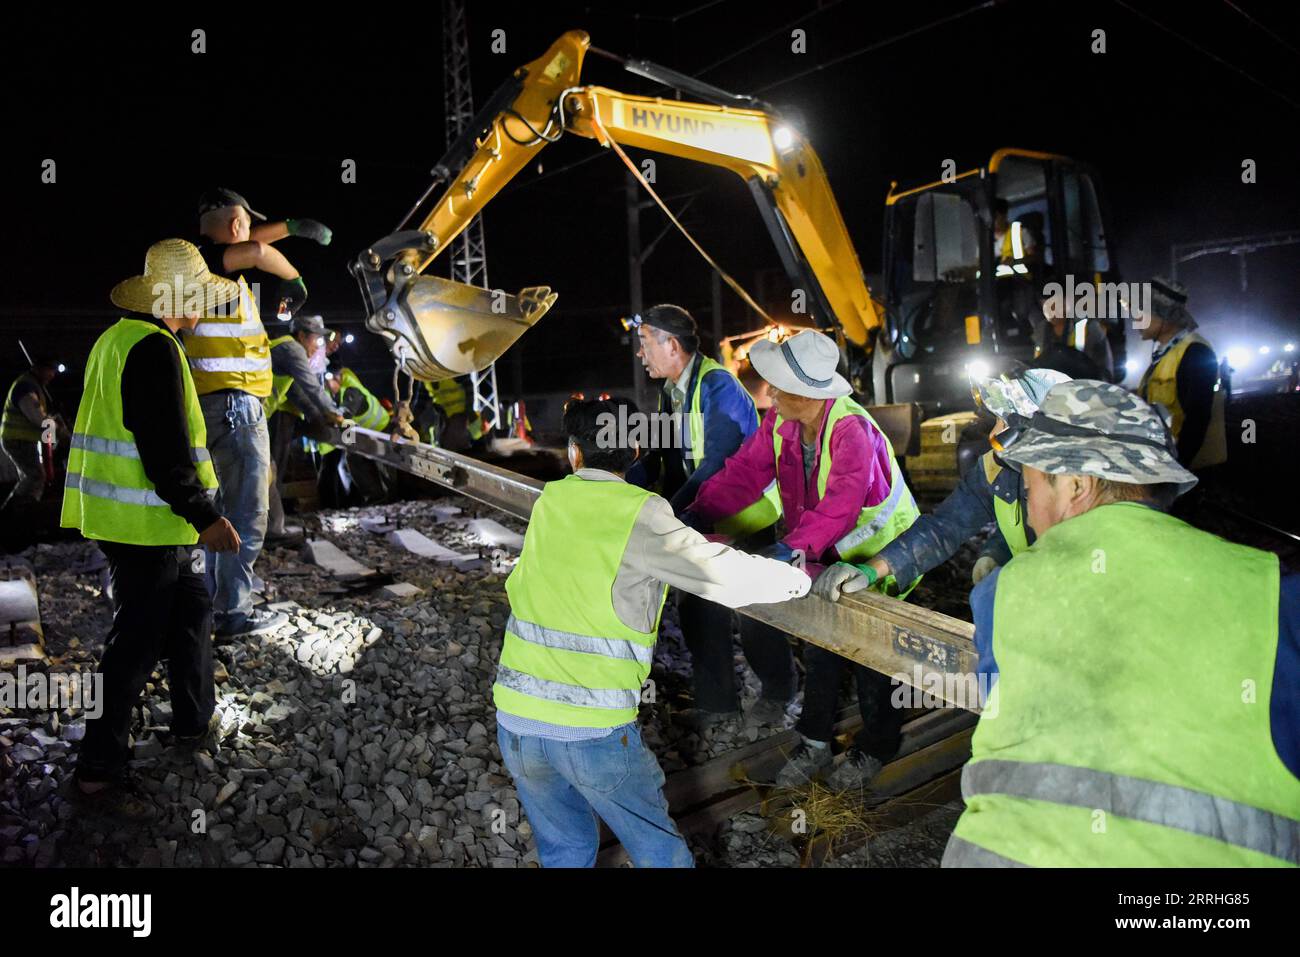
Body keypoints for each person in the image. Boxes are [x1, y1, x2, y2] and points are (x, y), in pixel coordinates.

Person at [942, 379, 1299, 866]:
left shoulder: (998, 594)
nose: (1028, 516)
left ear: (1075, 485)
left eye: (1029, 492)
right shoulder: (1274, 592)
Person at [492, 398, 810, 867]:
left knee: (566, 849)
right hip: (590, 732)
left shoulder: (550, 501)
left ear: (575, 454)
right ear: (637, 448)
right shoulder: (640, 512)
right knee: (659, 853)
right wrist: (797, 578)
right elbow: (717, 574)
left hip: (516, 723)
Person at [684, 330, 922, 789]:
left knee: (873, 657)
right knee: (821, 644)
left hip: (880, 561)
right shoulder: (782, 421)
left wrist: (789, 549)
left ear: (806, 393)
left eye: (778, 385)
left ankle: (876, 745)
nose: (769, 392)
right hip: (820, 555)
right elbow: (744, 472)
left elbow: (840, 506)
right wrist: (701, 510)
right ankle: (814, 740)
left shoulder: (852, 431)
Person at [61, 239, 242, 819]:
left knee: (191, 614)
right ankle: (97, 769)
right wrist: (207, 518)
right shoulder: (155, 350)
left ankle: (192, 723)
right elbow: (165, 453)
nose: (199, 312)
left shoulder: (116, 339)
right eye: (195, 300)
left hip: (142, 523)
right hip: (147, 525)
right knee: (133, 646)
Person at [622, 304, 776, 733]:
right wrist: (622, 483)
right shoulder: (672, 390)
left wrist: (673, 513)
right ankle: (719, 704)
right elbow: (661, 452)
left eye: (645, 344)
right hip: (701, 516)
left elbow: (719, 464)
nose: (640, 354)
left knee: (756, 612)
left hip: (742, 518)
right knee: (698, 609)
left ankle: (779, 693)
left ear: (671, 345)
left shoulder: (718, 387)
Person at [186, 188, 330, 639]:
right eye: (246, 222)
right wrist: (296, 281)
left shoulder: (196, 267)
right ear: (234, 226)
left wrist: (292, 227)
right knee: (246, 515)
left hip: (213, 407)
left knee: (220, 514)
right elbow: (256, 249)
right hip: (235, 408)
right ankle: (233, 613)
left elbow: (255, 241)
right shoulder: (213, 264)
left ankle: (219, 605)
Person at [816, 369, 1070, 598]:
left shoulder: (1077, 487)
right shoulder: (996, 467)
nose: (993, 433)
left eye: (1005, 422)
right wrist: (871, 571)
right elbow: (944, 527)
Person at [264, 314, 347, 542]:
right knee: (267, 470)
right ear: (301, 336)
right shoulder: (292, 350)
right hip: (255, 416)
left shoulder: (287, 351)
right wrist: (335, 414)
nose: (318, 347)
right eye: (316, 341)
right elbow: (312, 387)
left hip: (259, 416)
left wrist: (320, 415)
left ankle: (272, 525)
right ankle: (272, 529)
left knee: (269, 469)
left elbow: (298, 395)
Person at [1135, 275, 1226, 470]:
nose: (1136, 319)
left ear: (1165, 314)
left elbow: (1197, 419)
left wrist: (1177, 470)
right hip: (1170, 464)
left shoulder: (1195, 352)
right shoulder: (1165, 354)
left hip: (1195, 471)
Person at [1, 354, 68, 548]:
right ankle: (14, 513)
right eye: (51, 370)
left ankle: (21, 513)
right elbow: (37, 417)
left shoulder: (34, 386)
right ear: (39, 368)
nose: (53, 375)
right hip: (17, 439)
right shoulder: (26, 387)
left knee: (33, 476)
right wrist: (58, 429)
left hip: (23, 439)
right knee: (35, 476)